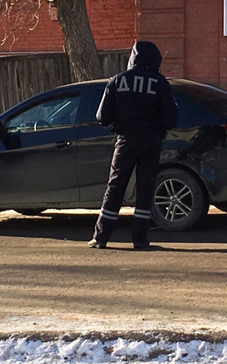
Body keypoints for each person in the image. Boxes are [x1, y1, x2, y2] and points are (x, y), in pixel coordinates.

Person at [88, 40, 179, 250]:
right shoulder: (160, 83)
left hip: (126, 141)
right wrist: (157, 129)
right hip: (151, 141)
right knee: (145, 188)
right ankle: (139, 239)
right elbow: (171, 119)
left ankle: (101, 237)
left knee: (115, 186)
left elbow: (102, 116)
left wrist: (120, 128)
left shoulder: (117, 81)